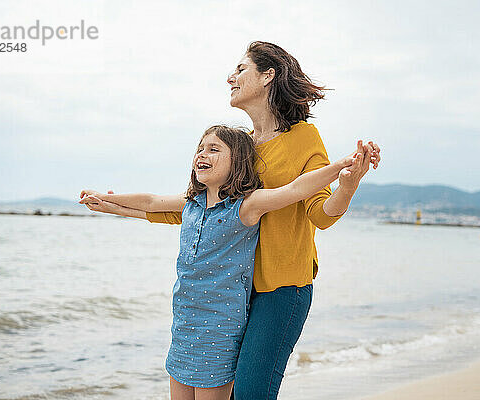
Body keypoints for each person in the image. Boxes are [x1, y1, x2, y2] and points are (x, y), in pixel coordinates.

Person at [147, 41, 381, 399]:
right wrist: (118, 205)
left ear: (268, 75)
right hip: (233, 295)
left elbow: (321, 213)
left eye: (241, 70)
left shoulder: (304, 137)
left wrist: (347, 185)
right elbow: (204, 209)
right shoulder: (239, 145)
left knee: (251, 394)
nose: (231, 77)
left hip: (282, 290)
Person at [79, 125, 370, 400]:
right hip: (183, 325)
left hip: (219, 331)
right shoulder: (192, 203)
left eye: (214, 149)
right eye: (200, 148)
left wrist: (342, 167)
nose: (202, 154)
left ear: (237, 162)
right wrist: (105, 202)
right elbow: (152, 202)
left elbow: (295, 189)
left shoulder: (245, 206)